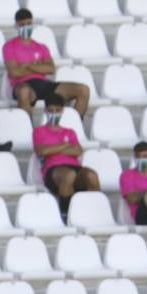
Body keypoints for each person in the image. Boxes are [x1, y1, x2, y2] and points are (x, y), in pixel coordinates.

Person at [3, 8, 90, 119]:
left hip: (43, 84)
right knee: (24, 92)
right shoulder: (9, 46)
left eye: (29, 23)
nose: (26, 27)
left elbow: (51, 69)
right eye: (22, 24)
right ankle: (28, 130)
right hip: (23, 84)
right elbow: (14, 72)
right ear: (16, 26)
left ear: (32, 23)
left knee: (83, 90)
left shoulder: (41, 47)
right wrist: (39, 66)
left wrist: (28, 65)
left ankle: (76, 125)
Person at [32, 92, 100, 220]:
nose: (54, 113)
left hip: (74, 166)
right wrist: (64, 146)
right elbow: (42, 151)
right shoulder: (38, 131)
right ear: (46, 111)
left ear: (62, 111)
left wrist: (54, 149)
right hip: (53, 169)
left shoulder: (69, 131)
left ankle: (95, 210)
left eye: (57, 110)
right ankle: (66, 213)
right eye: (51, 110)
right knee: (69, 175)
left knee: (91, 175)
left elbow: (78, 151)